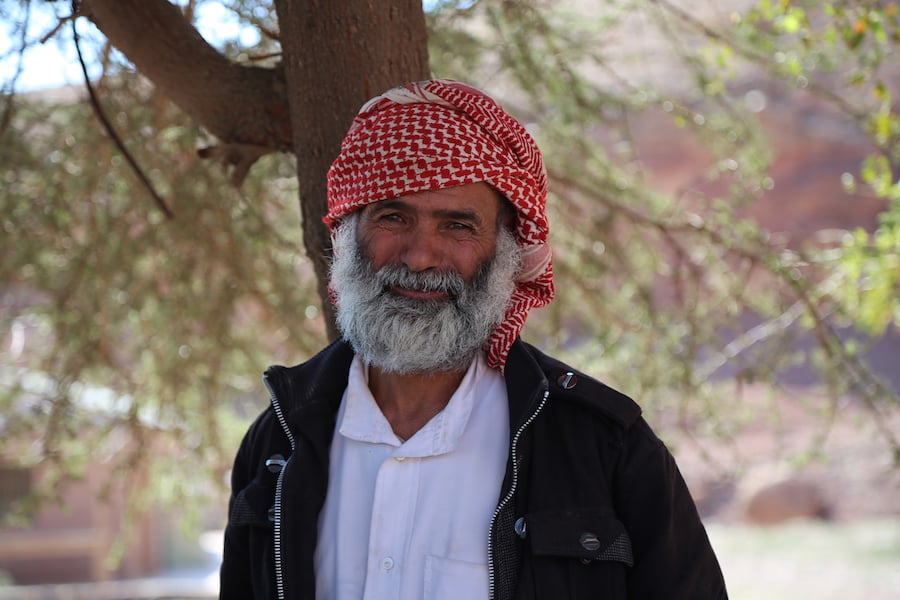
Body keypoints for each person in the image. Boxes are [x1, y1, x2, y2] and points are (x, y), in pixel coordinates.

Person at [220, 79, 727, 600]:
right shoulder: (276, 441)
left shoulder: (601, 445)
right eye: (393, 217)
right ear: (350, 234)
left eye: (457, 226)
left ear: (505, 250)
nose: (420, 256)